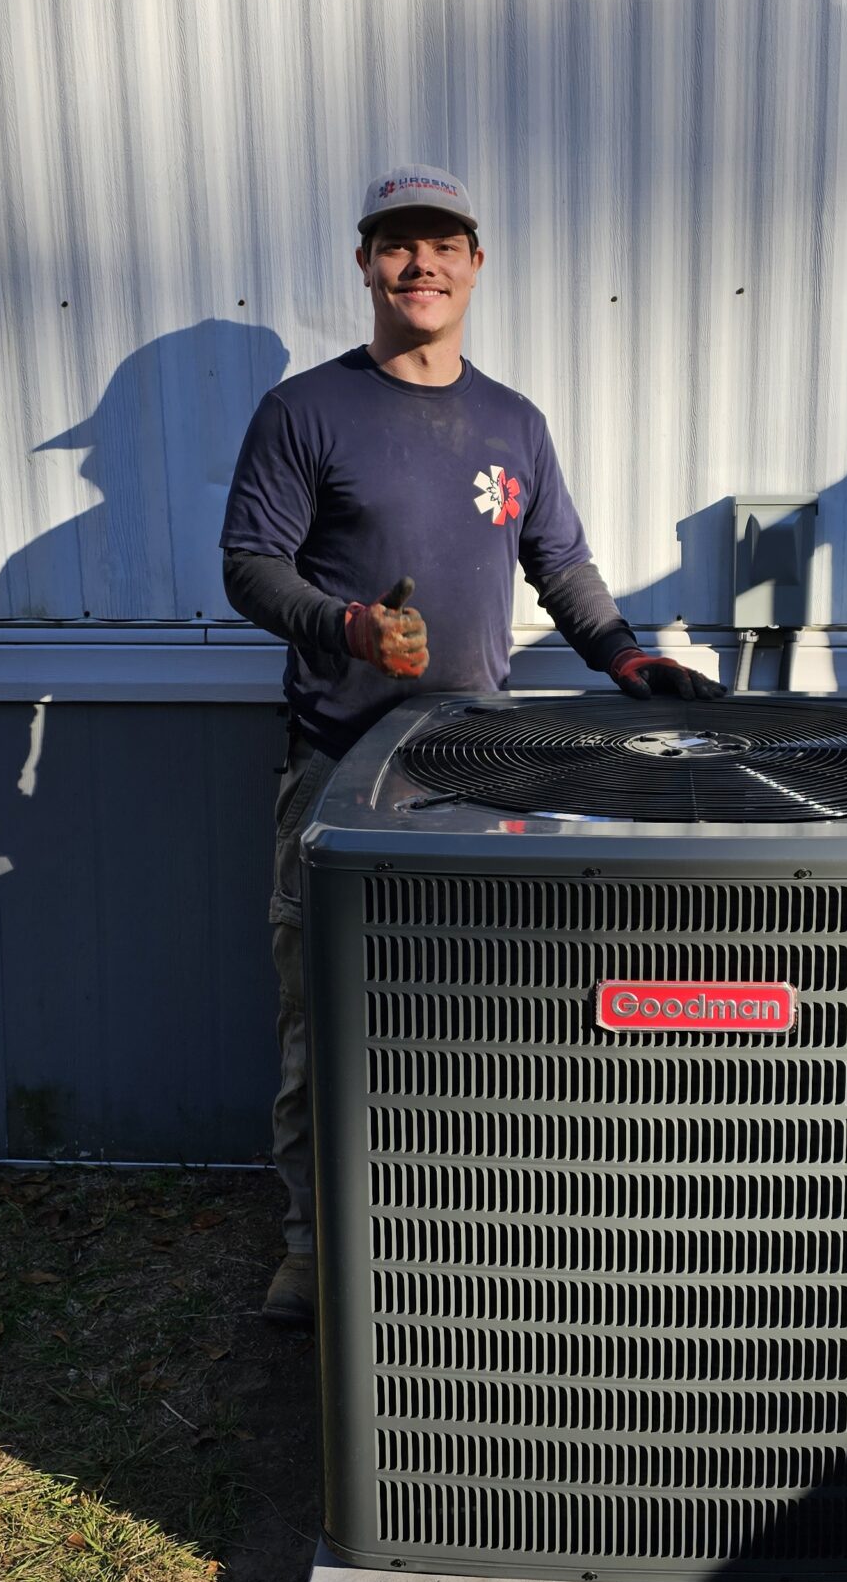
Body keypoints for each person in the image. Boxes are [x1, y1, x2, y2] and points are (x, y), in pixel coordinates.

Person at [220, 164, 722, 1328]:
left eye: (443, 244)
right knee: (322, 1016)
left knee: (472, 1009)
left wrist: (629, 658)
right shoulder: (305, 412)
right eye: (397, 246)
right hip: (339, 766)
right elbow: (250, 564)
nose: (421, 265)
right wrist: (345, 624)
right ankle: (311, 1247)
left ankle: (459, 1227)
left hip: (479, 767)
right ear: (364, 265)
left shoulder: (514, 421)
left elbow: (563, 566)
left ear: (476, 264)